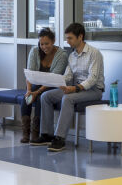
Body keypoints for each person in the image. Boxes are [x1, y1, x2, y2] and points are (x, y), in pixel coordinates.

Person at [39, 22, 104, 152]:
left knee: (67, 99)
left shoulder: (94, 53)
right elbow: (68, 76)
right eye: (66, 38)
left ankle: (60, 138)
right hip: (75, 88)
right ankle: (47, 134)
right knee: (46, 96)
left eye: (70, 38)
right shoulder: (72, 55)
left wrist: (75, 88)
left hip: (93, 90)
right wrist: (57, 82)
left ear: (80, 37)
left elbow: (93, 78)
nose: (67, 41)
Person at [19, 28, 68, 144]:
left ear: (53, 41)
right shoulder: (34, 51)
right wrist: (29, 90)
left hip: (53, 84)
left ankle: (36, 132)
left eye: (47, 44)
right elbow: (30, 74)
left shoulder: (62, 55)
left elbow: (54, 77)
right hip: (36, 83)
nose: (44, 47)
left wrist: (37, 92)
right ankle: (26, 132)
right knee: (26, 98)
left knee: (41, 96)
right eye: (42, 44)